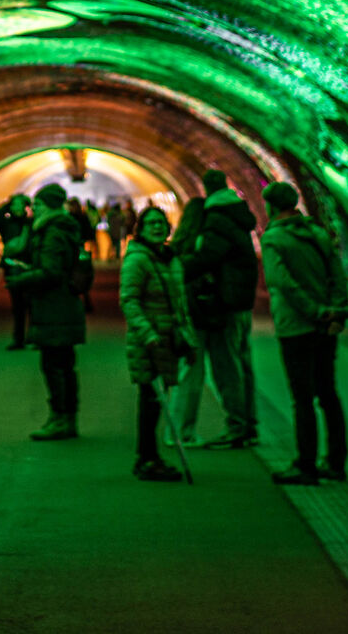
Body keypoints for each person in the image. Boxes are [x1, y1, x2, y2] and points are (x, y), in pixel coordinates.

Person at [260, 181, 348, 485]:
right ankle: (336, 462)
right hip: (325, 327)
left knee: (302, 399)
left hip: (296, 327)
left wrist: (314, 311)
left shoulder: (273, 239)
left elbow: (282, 283)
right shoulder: (318, 234)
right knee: (328, 393)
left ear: (271, 207)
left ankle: (306, 465)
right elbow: (337, 275)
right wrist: (335, 310)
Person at [177, 168, 260, 449]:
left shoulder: (216, 218)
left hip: (225, 303)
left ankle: (237, 427)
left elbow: (209, 257)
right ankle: (248, 424)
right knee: (242, 364)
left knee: (227, 368)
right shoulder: (238, 214)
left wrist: (177, 272)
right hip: (242, 302)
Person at [4, 182, 90, 439]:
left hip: (54, 308)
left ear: (50, 206)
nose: (35, 209)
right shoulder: (64, 229)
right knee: (65, 366)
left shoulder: (52, 233)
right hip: (64, 307)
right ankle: (68, 418)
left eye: (38, 204)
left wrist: (21, 279)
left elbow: (51, 272)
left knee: (54, 366)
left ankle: (59, 419)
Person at [119, 203, 190, 482]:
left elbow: (179, 301)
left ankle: (149, 456)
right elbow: (129, 300)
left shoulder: (169, 258)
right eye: (151, 223)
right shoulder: (138, 260)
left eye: (161, 223)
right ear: (141, 229)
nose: (158, 227)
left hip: (167, 338)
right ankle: (147, 458)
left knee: (157, 400)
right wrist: (147, 333)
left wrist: (186, 334)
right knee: (150, 398)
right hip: (148, 340)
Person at [0, 192, 35, 349]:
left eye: (18, 204)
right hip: (13, 268)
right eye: (13, 204)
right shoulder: (7, 222)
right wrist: (8, 202)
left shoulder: (32, 223)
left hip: (29, 267)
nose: (14, 207)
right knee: (17, 305)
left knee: (32, 304)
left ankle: (32, 337)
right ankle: (18, 338)